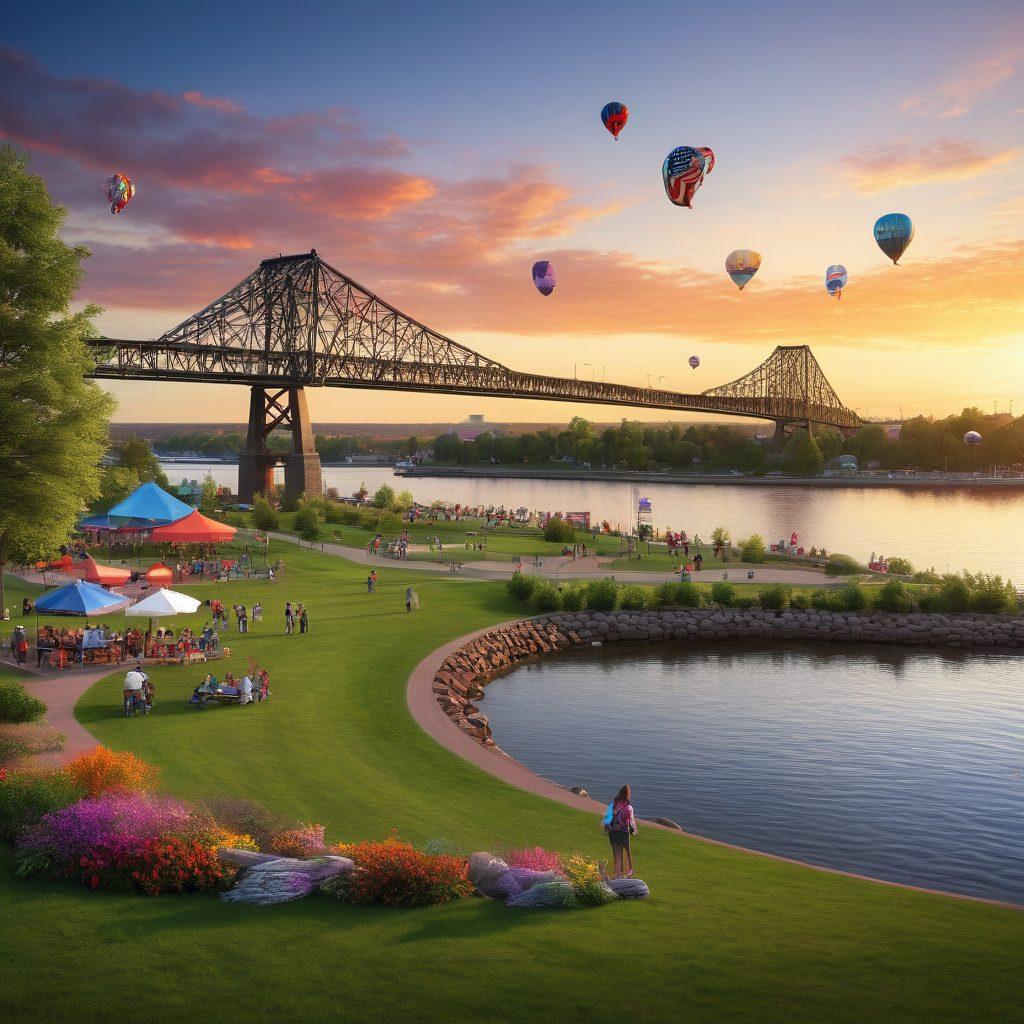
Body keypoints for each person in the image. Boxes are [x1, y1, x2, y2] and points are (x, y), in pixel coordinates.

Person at [602, 784, 638, 879]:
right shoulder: (629, 808)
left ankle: (618, 874)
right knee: (627, 853)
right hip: (623, 833)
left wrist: (606, 829)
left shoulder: (613, 805)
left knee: (616, 854)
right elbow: (631, 821)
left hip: (613, 832)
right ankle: (628, 874)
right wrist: (634, 830)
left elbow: (607, 817)